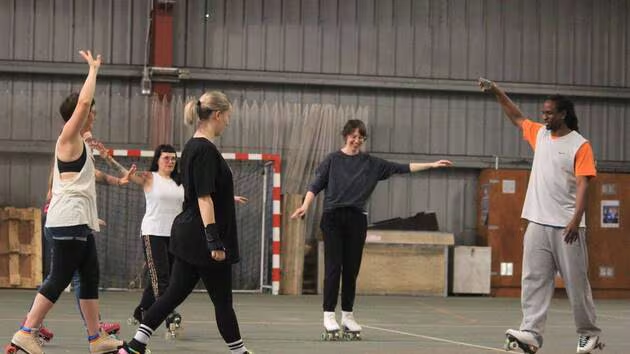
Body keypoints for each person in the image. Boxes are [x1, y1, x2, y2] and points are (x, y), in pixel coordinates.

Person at [8, 51, 128, 354]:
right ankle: (26, 331)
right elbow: (85, 102)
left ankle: (95, 337)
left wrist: (115, 183)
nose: (94, 114)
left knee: (89, 275)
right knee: (60, 276)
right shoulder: (68, 137)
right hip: (67, 219)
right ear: (78, 114)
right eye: (91, 111)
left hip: (79, 219)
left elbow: (89, 177)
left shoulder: (81, 145)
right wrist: (93, 69)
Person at [290, 119, 452, 340]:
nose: (356, 141)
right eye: (353, 137)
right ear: (346, 135)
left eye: (361, 138)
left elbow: (402, 168)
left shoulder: (371, 163)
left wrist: (431, 165)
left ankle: (347, 315)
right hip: (333, 218)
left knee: (351, 270)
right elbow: (316, 185)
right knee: (333, 268)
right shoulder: (332, 160)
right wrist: (305, 205)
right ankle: (329, 314)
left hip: (357, 219)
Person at [119, 91, 251, 354]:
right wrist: (214, 240)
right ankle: (239, 352)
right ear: (217, 114)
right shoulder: (204, 150)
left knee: (171, 295)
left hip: (190, 236)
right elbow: (203, 198)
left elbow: (201, 192)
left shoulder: (192, 146)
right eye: (227, 116)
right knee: (223, 301)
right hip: (203, 240)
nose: (228, 122)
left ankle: (135, 346)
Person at [479, 78, 603, 354]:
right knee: (533, 280)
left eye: (549, 113)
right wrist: (498, 92)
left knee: (576, 283)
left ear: (563, 114)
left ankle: (588, 333)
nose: (544, 116)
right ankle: (531, 334)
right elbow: (516, 116)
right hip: (536, 223)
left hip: (567, 228)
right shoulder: (540, 135)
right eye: (543, 112)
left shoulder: (580, 145)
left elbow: (585, 186)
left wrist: (574, 220)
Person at [96, 143, 185, 334]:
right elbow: (124, 173)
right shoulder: (149, 177)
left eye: (173, 158)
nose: (170, 161)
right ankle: (169, 314)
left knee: (164, 276)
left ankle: (140, 312)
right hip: (153, 233)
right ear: (158, 160)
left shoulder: (181, 181)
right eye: (166, 158)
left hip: (175, 236)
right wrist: (106, 157)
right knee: (161, 278)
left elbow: (201, 196)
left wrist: (228, 198)